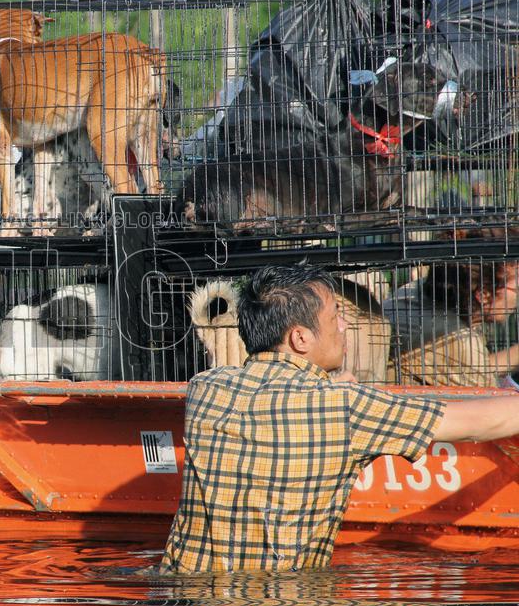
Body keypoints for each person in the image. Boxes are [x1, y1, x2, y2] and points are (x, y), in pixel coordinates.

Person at [159, 262, 519, 573]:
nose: (345, 326)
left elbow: (280, 399)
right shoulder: (345, 407)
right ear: (300, 337)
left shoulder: (206, 390)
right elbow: (483, 421)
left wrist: (328, 385)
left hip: (191, 595)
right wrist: (335, 391)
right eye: (334, 316)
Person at [384, 228, 519, 388]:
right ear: (484, 294)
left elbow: (474, 367)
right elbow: (492, 406)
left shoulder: (416, 291)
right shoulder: (458, 340)